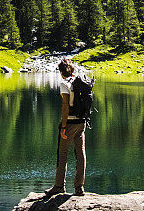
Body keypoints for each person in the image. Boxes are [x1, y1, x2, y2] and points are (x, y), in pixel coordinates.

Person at [44, 58, 86, 197]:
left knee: (62, 154)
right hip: (82, 122)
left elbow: (65, 106)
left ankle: (59, 186)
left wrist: (63, 126)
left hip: (70, 123)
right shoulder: (79, 81)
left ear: (62, 72)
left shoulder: (64, 84)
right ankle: (79, 188)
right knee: (80, 154)